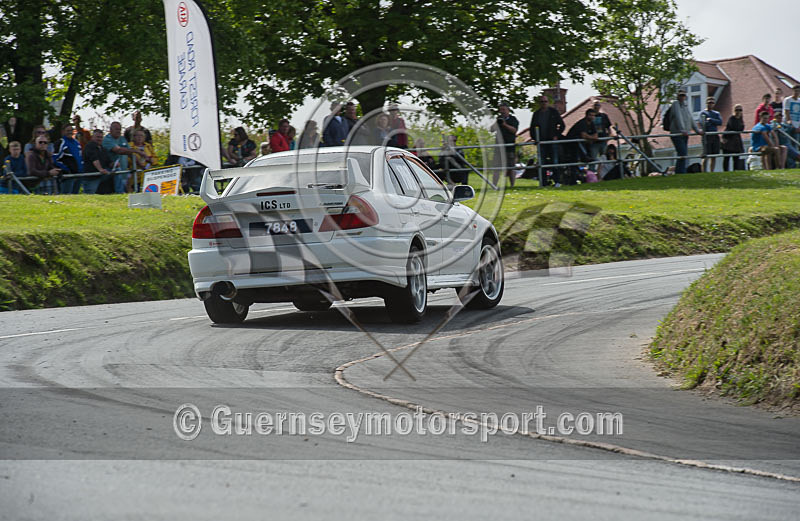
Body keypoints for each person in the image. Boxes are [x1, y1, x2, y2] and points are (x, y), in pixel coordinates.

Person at [529, 94, 565, 184]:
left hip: (552, 141)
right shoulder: (536, 114)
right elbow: (532, 127)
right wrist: (535, 138)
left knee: (554, 161)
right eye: (542, 102)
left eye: (545, 101)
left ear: (548, 102)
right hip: (541, 142)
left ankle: (557, 181)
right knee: (542, 162)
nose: (544, 103)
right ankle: (544, 182)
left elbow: (562, 125)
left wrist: (556, 135)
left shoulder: (553, 112)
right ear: (539, 103)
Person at [667, 89, 703, 174]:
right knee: (682, 153)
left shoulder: (685, 106)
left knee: (684, 154)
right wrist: (682, 129)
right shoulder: (675, 104)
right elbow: (678, 117)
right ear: (677, 96)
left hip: (685, 134)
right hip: (677, 133)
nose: (682, 97)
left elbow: (690, 118)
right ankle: (680, 172)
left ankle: (681, 172)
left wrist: (697, 130)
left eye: (683, 95)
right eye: (680, 95)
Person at [104, 121, 145, 193]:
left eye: (119, 129)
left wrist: (140, 165)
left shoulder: (122, 139)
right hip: (111, 171)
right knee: (115, 192)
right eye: (116, 129)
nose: (118, 131)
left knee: (126, 191)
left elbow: (130, 153)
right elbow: (119, 150)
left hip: (124, 172)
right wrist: (137, 151)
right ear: (110, 130)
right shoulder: (107, 139)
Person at [492, 101, 520, 187]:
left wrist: (504, 124)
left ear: (508, 110)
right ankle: (494, 185)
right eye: (500, 110)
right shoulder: (498, 119)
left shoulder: (513, 119)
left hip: (509, 147)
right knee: (496, 168)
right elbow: (491, 130)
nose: (502, 111)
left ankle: (512, 185)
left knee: (511, 167)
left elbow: (514, 130)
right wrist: (497, 123)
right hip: (499, 148)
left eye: (504, 109)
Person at [53, 123, 84, 194]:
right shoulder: (61, 142)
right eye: (68, 130)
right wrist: (66, 169)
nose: (70, 132)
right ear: (63, 131)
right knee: (66, 196)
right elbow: (55, 158)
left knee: (75, 197)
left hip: (78, 175)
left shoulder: (76, 143)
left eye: (71, 130)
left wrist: (81, 169)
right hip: (67, 176)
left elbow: (80, 157)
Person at [82, 129, 113, 194]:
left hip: (101, 177)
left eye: (101, 137)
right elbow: (94, 159)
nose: (99, 139)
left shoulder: (102, 148)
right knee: (90, 197)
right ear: (92, 137)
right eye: (97, 137)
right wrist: (100, 169)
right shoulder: (89, 146)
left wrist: (114, 164)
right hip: (91, 177)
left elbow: (108, 160)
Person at [699, 97, 723, 172]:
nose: (710, 104)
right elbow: (703, 124)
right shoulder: (703, 113)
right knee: (706, 155)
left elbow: (720, 122)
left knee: (714, 155)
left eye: (712, 103)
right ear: (706, 103)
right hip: (707, 136)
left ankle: (712, 171)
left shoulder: (716, 113)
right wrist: (711, 122)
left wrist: (710, 120)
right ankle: (703, 171)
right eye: (709, 102)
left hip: (715, 135)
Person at [722, 104, 745, 171]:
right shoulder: (731, 118)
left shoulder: (741, 119)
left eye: (740, 110)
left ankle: (735, 170)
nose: (738, 112)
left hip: (736, 141)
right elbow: (734, 127)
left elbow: (741, 128)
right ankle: (726, 171)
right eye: (737, 110)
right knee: (727, 158)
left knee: (736, 158)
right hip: (728, 140)